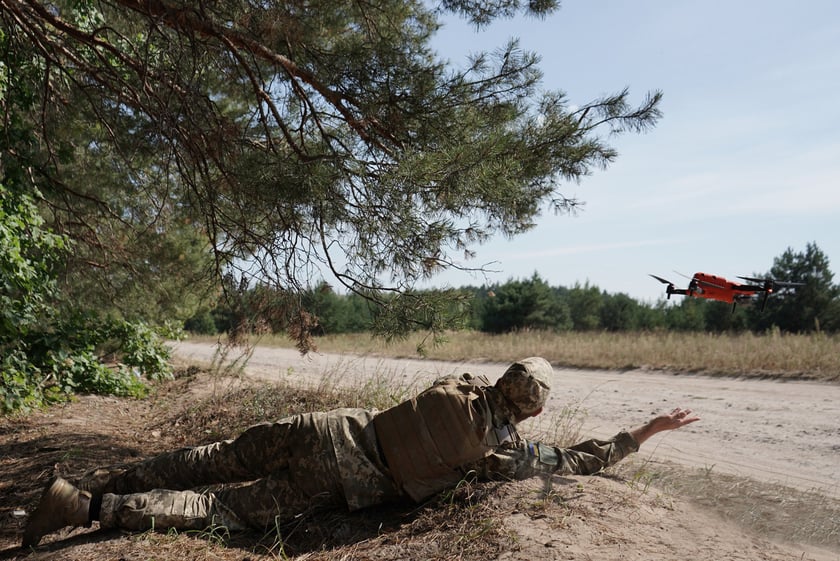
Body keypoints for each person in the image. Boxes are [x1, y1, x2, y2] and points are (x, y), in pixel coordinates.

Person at [22, 357, 699, 547]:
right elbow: (570, 462)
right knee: (217, 508)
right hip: (343, 473)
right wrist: (640, 434)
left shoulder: (458, 382)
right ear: (533, 407)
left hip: (330, 424)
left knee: (215, 455)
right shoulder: (497, 451)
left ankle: (110, 476)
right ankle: (89, 505)